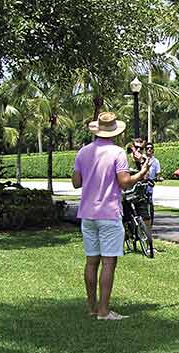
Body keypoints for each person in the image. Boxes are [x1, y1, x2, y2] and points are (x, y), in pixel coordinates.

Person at [72, 112, 149, 321]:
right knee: (108, 262)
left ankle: (92, 308)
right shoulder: (117, 152)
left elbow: (76, 182)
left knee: (91, 262)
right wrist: (141, 174)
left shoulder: (83, 152)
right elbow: (124, 181)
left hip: (87, 214)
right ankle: (104, 311)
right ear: (115, 132)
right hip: (108, 213)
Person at [144, 143, 162, 228]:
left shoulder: (156, 161)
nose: (149, 150)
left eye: (151, 148)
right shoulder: (142, 159)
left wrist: (158, 178)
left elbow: (158, 173)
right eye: (147, 148)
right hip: (141, 183)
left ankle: (150, 223)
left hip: (150, 184)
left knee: (150, 202)